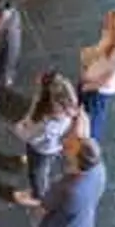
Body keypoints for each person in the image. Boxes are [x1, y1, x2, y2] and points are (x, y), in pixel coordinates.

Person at [12, 71, 80, 208]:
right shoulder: (64, 109)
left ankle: (39, 195)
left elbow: (31, 137)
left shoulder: (47, 124)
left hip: (42, 150)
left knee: (37, 173)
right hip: (47, 146)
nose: (37, 82)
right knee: (39, 164)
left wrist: (18, 128)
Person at [79, 9, 115, 142]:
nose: (104, 24)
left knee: (94, 113)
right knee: (83, 103)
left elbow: (109, 78)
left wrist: (89, 86)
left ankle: (90, 141)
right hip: (91, 78)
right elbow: (102, 49)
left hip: (98, 88)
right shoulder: (111, 35)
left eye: (108, 23)